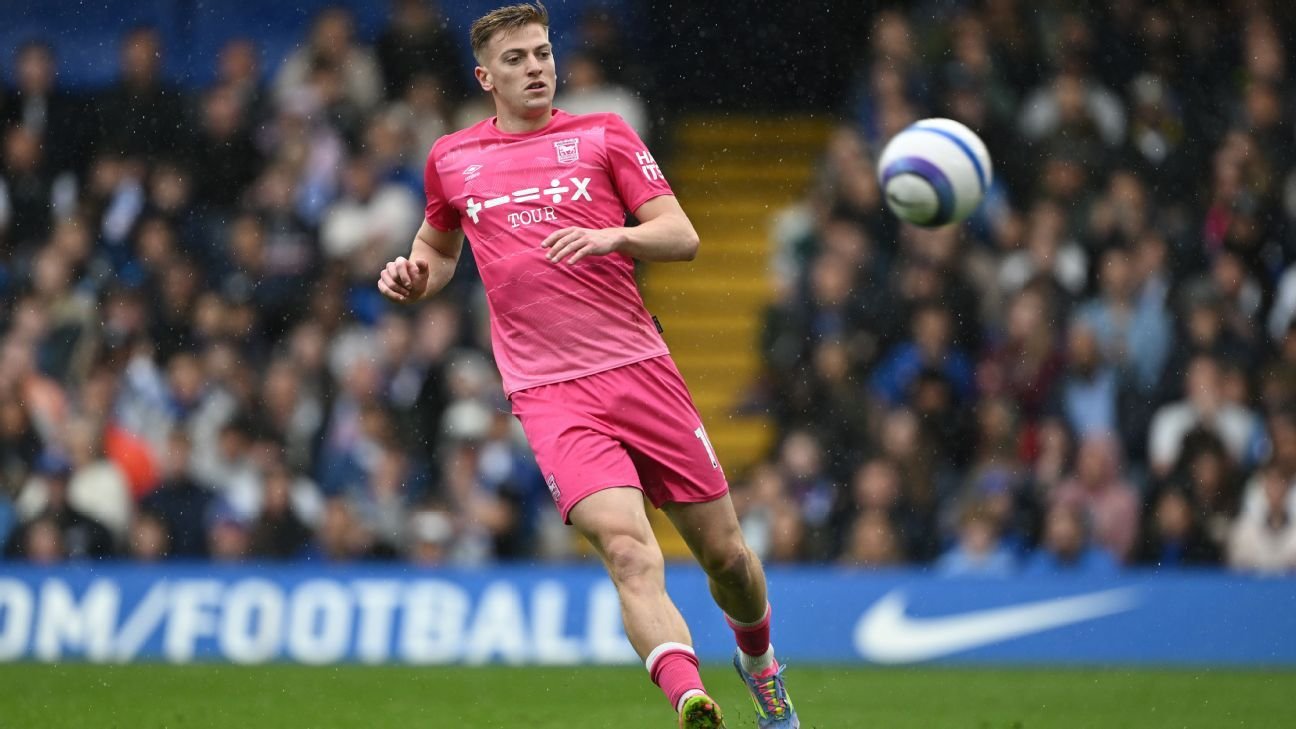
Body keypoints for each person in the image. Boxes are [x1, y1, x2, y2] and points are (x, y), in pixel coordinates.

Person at [376, 4, 797, 727]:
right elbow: (438, 248)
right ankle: (690, 698)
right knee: (629, 551)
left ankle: (760, 666)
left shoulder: (603, 134)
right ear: (485, 77)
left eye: (542, 52)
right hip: (549, 393)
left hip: (639, 369)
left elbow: (682, 236)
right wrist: (415, 277)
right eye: (516, 59)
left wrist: (613, 237)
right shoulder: (451, 157)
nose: (536, 67)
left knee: (727, 557)